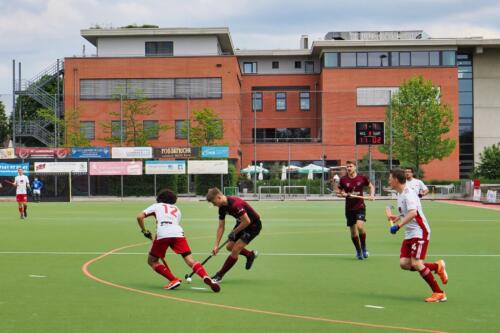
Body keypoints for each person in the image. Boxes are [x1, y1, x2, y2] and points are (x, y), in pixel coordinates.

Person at [136, 188, 220, 292]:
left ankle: (173, 279)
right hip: (178, 233)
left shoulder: (156, 206)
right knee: (190, 260)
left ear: (159, 198)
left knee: (152, 261)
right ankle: (206, 277)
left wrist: (144, 231)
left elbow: (139, 217)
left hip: (163, 234)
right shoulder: (177, 209)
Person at [387, 169, 448, 303]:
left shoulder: (409, 194)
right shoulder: (400, 194)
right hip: (410, 233)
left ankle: (439, 293)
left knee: (416, 263)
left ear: (396, 179)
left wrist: (398, 226)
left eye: (390, 178)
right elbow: (406, 212)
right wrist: (397, 218)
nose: (388, 180)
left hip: (420, 232)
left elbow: (413, 213)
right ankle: (437, 267)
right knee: (404, 264)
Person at [206, 187, 261, 282]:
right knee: (229, 247)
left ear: (219, 197)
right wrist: (216, 245)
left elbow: (247, 221)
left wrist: (234, 232)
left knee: (235, 249)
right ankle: (249, 255)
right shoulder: (222, 209)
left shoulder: (236, 204)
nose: (214, 205)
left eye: (214, 203)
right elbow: (221, 227)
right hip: (241, 223)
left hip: (253, 226)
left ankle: (219, 275)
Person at [336, 161, 375, 260]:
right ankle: (358, 251)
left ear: (355, 167)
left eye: (350, 166)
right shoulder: (343, 180)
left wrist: (371, 195)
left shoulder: (362, 178)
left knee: (360, 226)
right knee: (353, 232)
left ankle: (364, 248)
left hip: (360, 206)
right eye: (347, 166)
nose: (348, 168)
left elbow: (371, 186)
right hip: (349, 208)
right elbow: (338, 192)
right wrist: (342, 194)